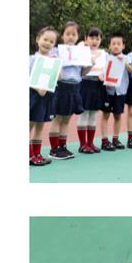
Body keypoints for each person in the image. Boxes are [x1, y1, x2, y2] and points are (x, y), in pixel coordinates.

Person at [48, 21, 84, 160]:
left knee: (67, 119)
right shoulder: (56, 51)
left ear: (77, 36)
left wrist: (90, 63)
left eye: (74, 34)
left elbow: (83, 72)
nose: (70, 37)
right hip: (61, 86)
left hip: (75, 87)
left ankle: (62, 147)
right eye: (67, 34)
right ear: (62, 35)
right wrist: (54, 59)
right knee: (57, 118)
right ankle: (53, 149)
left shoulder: (80, 53)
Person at [29, 26, 59, 166]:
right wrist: (37, 88)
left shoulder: (53, 60)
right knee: (29, 125)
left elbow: (59, 77)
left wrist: (56, 65)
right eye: (45, 39)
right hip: (33, 95)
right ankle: (29, 155)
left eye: (51, 41)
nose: (47, 43)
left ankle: (37, 154)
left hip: (47, 96)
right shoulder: (31, 59)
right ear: (38, 39)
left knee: (40, 125)